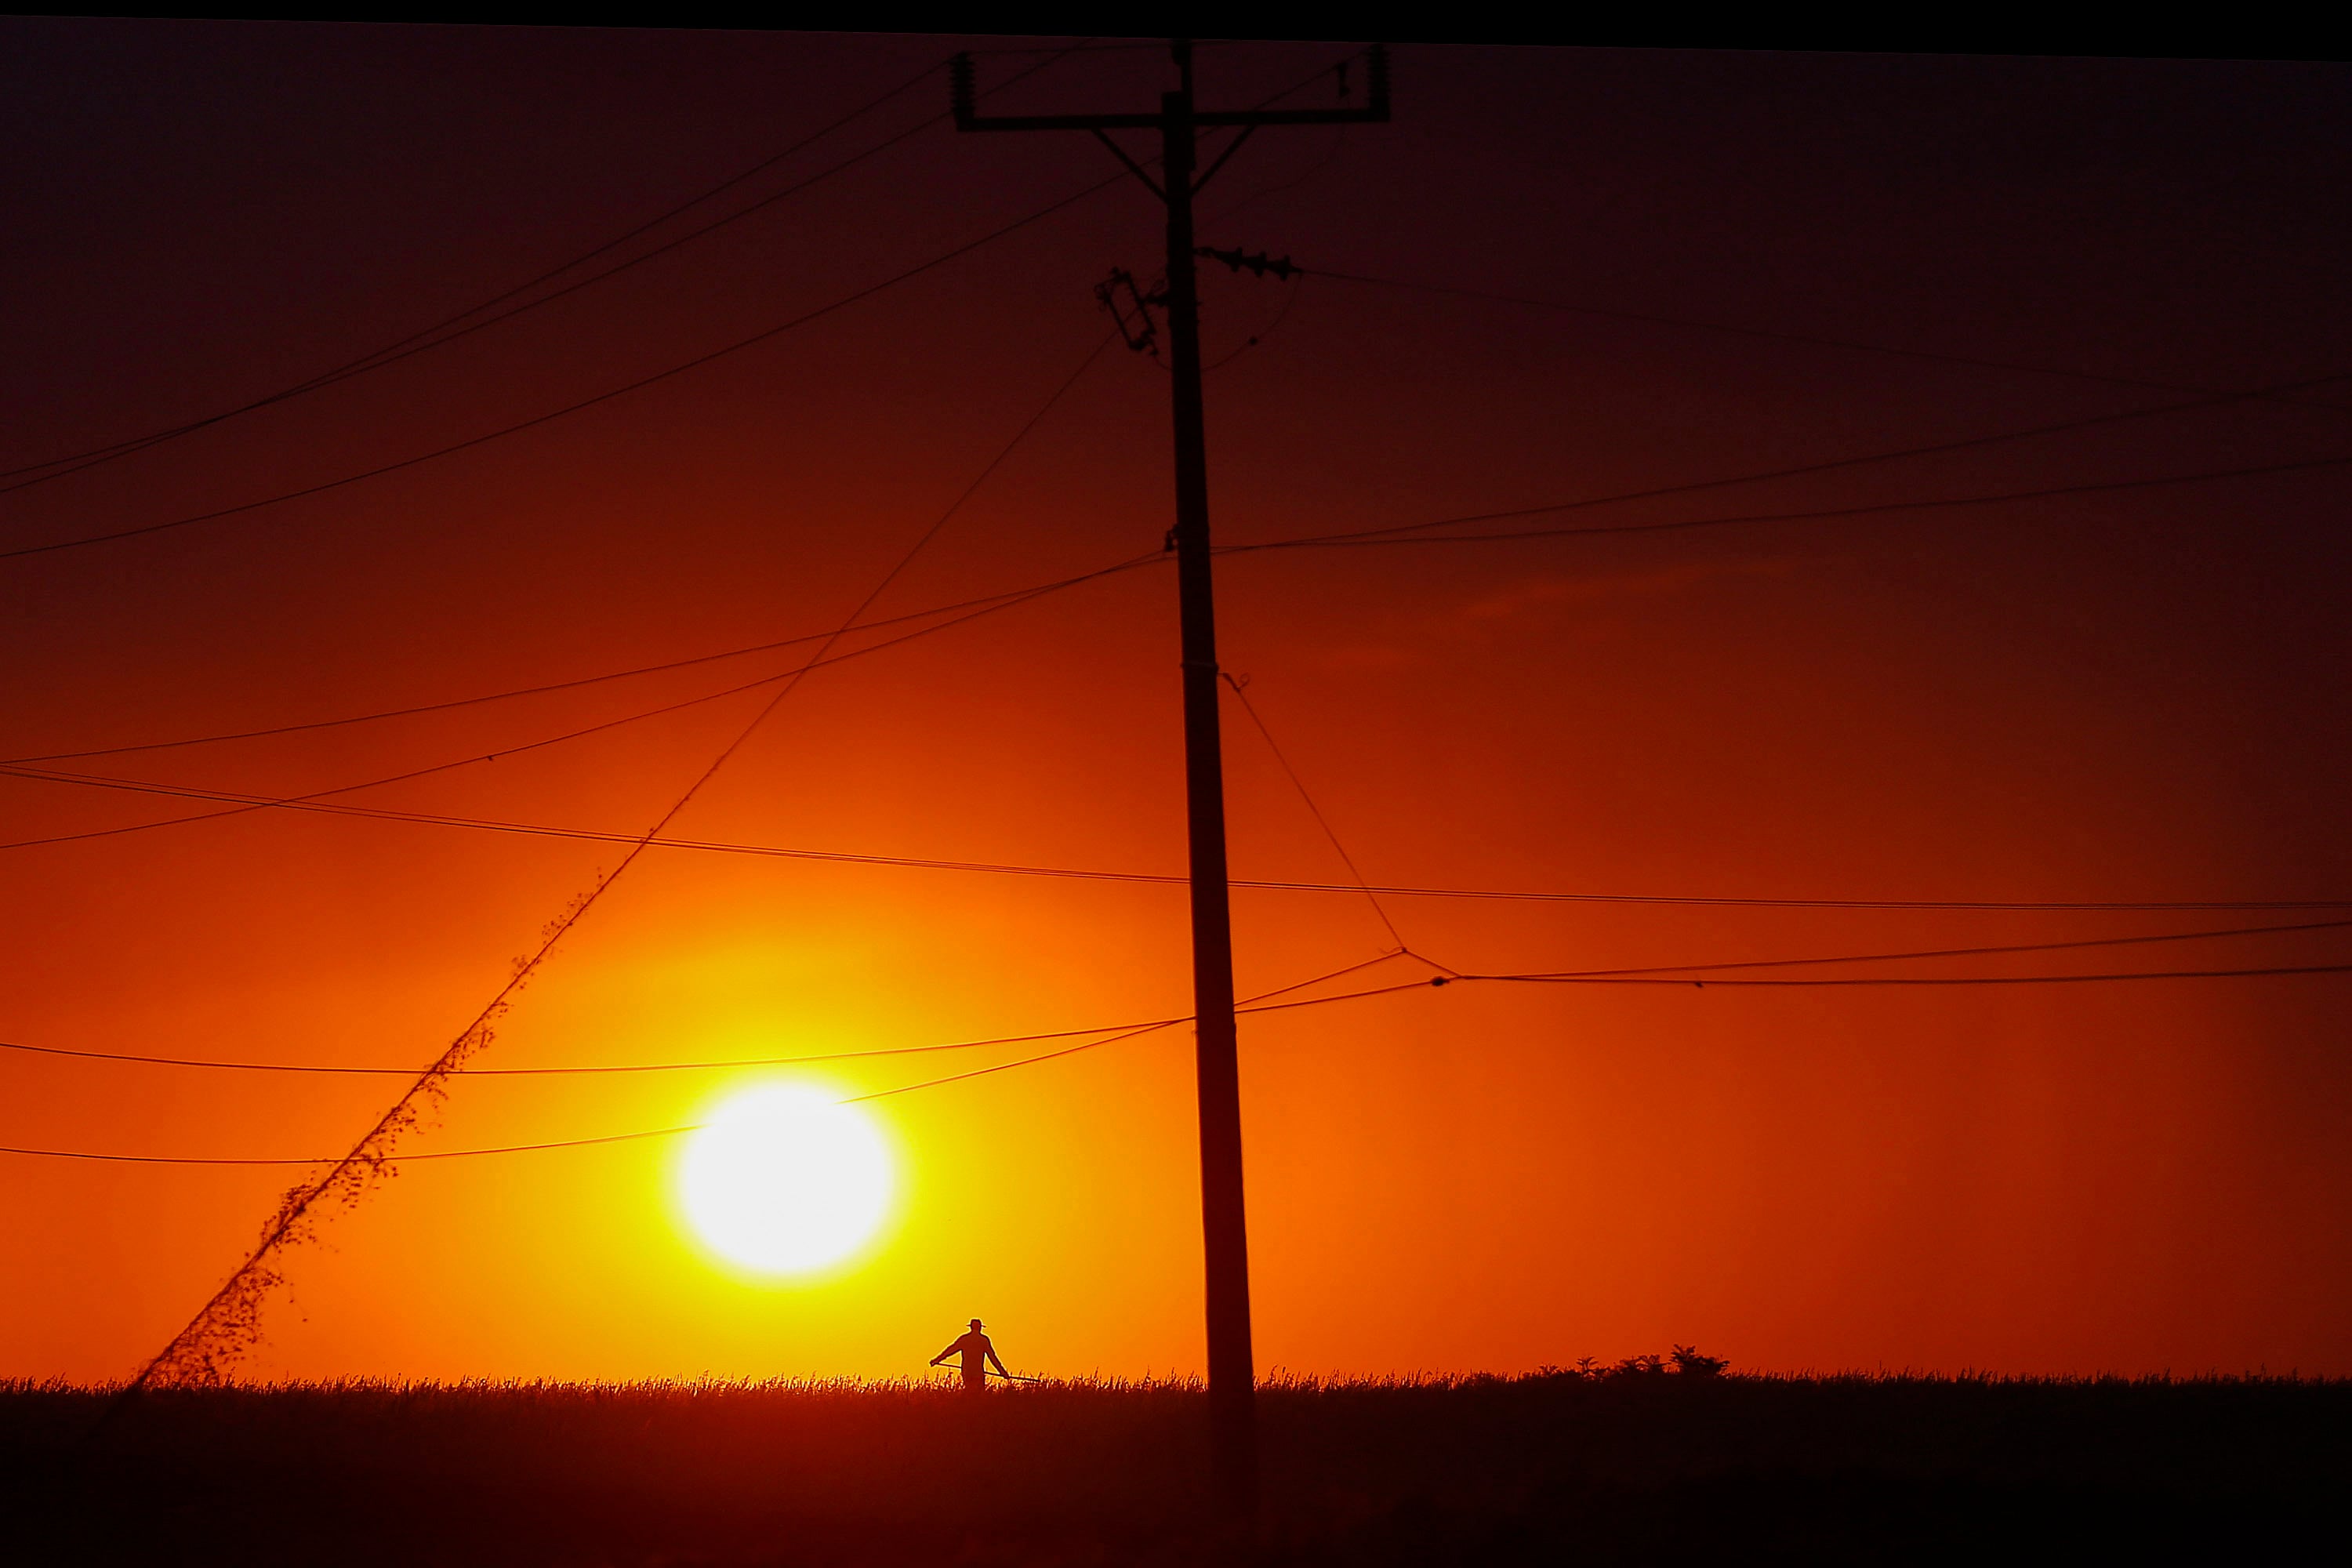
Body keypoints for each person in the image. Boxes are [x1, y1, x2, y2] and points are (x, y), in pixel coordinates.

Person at [930, 1317, 1008, 1392]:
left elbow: (950, 1350)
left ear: (971, 1327)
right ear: (980, 1328)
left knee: (969, 1392)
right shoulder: (984, 1340)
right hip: (978, 1372)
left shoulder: (964, 1339)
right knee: (979, 1396)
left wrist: (937, 1360)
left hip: (967, 1371)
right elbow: (993, 1358)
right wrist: (1002, 1372)